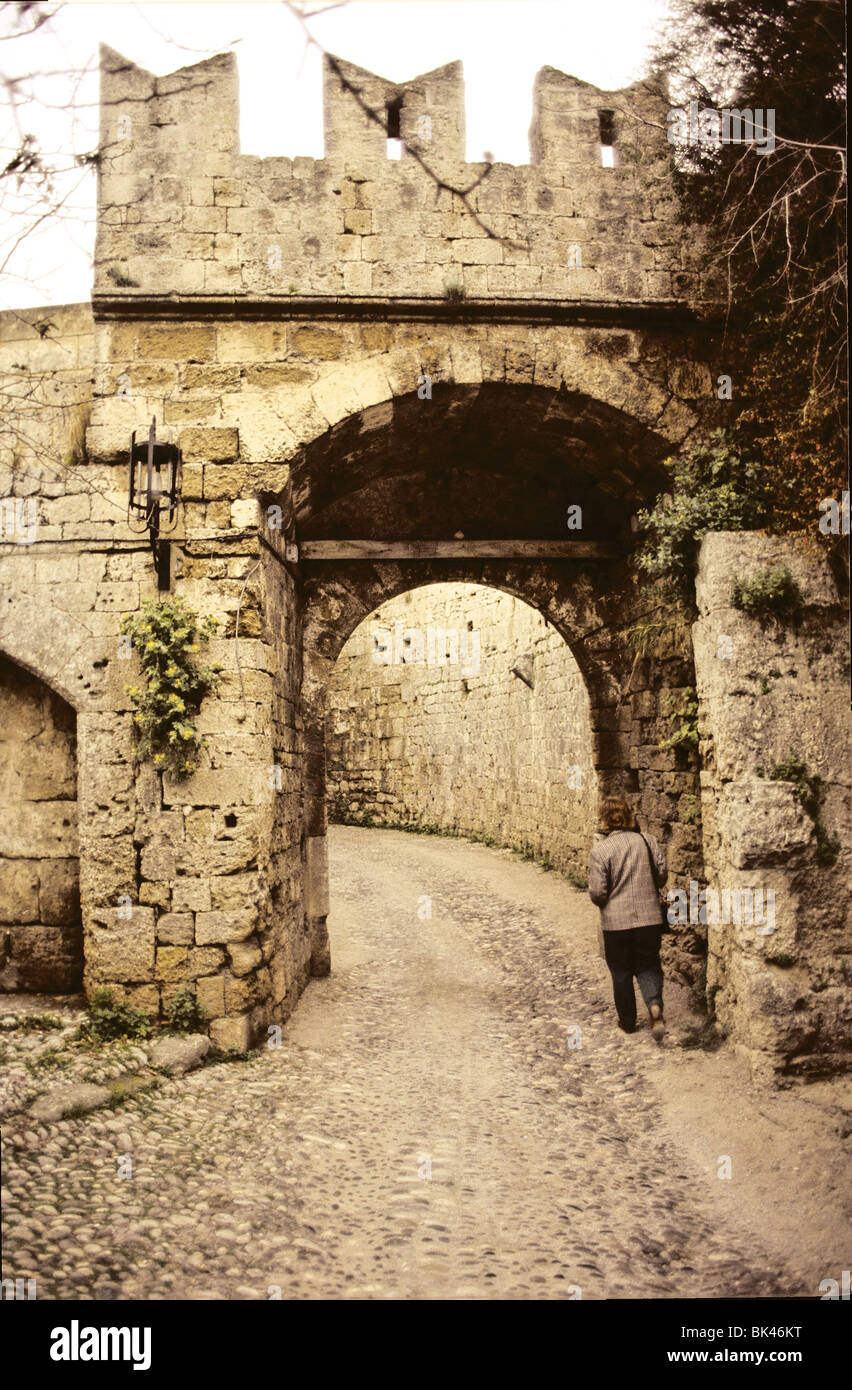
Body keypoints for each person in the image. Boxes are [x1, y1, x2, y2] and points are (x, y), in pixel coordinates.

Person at [588, 794, 667, 1041]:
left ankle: (628, 1021)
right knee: (649, 965)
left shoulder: (601, 850)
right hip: (649, 919)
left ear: (604, 820)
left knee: (620, 971)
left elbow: (598, 892)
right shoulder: (648, 841)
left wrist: (607, 898)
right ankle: (654, 1006)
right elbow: (662, 875)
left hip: (616, 922)